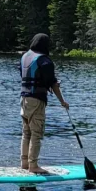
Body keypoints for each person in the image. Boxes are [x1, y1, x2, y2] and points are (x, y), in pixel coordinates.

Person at [19, 33, 69, 174]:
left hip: (23, 99)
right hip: (36, 101)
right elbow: (53, 83)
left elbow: (27, 76)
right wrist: (62, 102)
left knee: (26, 132)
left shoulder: (24, 57)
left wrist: (45, 84)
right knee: (36, 133)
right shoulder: (45, 61)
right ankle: (33, 165)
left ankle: (24, 163)